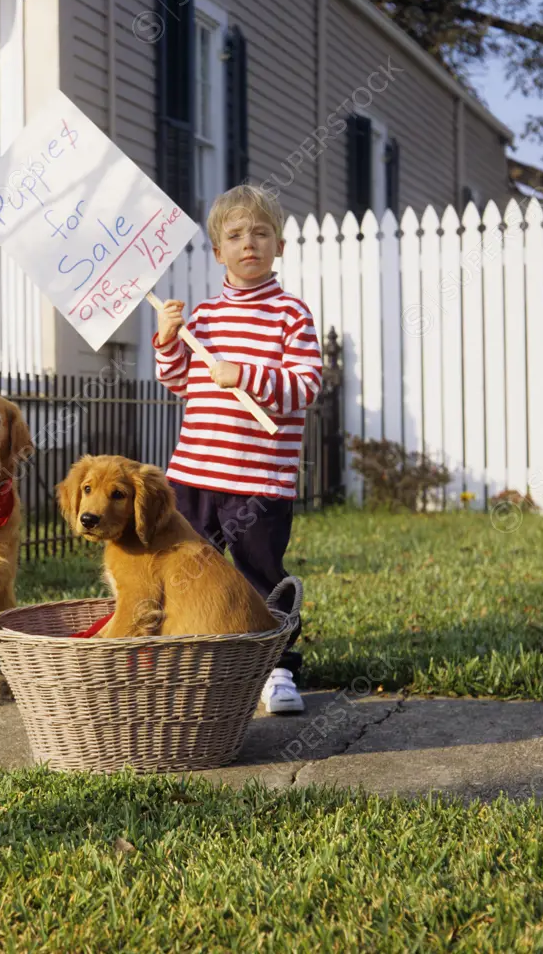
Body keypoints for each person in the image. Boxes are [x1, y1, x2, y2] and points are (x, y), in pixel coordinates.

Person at [152, 183, 322, 713]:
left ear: (280, 246)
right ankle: (180, 654)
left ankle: (276, 669)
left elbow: (306, 385)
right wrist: (168, 340)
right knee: (184, 567)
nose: (249, 243)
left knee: (260, 574)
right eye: (235, 235)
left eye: (261, 233)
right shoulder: (202, 319)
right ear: (217, 250)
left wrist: (244, 373)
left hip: (259, 481)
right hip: (195, 473)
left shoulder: (291, 316)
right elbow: (179, 381)